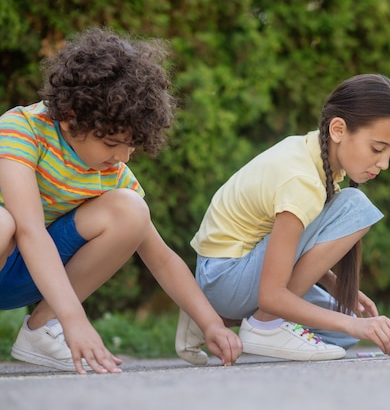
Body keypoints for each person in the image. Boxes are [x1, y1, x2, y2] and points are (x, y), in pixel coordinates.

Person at [0, 27, 242, 374]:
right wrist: (76, 318)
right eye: (113, 145)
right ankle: (62, 318)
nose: (124, 158)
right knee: (4, 223)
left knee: (131, 209)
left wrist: (211, 323)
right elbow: (30, 231)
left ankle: (42, 328)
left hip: (32, 276)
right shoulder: (22, 130)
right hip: (12, 248)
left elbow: (161, 258)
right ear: (71, 120)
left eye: (132, 145)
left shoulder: (110, 171)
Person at [175, 74, 390, 363]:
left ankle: (212, 317)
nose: (384, 164)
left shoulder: (313, 154)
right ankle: (263, 325)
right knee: (355, 207)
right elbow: (271, 296)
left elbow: (290, 245)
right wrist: (355, 323)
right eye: (377, 148)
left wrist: (335, 285)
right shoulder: (302, 180)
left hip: (229, 276)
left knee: (343, 333)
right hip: (227, 277)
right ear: (338, 129)